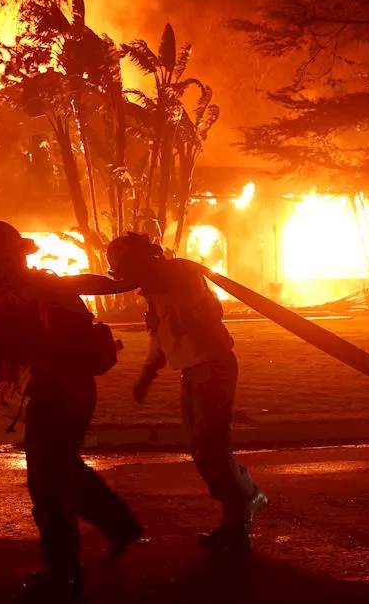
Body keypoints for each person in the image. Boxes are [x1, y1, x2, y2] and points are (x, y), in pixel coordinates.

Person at [0, 220, 144, 595]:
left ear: (2, 259)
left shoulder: (9, 301)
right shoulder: (49, 284)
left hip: (55, 394)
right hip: (78, 390)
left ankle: (65, 571)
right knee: (63, 465)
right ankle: (120, 525)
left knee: (47, 485)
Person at [106, 232, 268, 553]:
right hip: (194, 371)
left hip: (211, 367)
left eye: (130, 270)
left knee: (212, 449)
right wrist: (147, 375)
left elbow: (200, 315)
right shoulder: (156, 290)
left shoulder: (181, 276)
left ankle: (240, 518)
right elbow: (162, 338)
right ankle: (245, 500)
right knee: (201, 447)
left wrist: (155, 287)